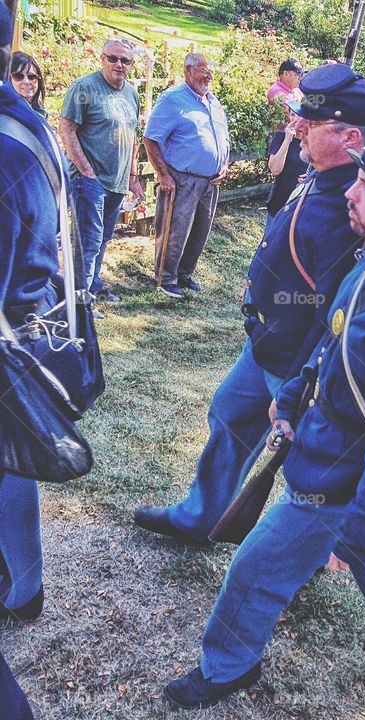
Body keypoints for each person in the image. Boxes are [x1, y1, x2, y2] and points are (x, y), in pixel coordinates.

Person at [161, 127, 365, 709]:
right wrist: (295, 393)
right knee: (353, 543)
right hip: (325, 443)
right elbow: (332, 343)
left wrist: (356, 535)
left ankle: (228, 666)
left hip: (340, 478)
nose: (352, 191)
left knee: (254, 570)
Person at [133, 64, 365, 544]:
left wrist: (302, 385)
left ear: (351, 136)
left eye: (313, 122)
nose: (299, 126)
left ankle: (303, 556)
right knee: (229, 414)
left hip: (298, 363)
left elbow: (336, 313)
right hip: (267, 343)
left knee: (310, 467)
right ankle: (202, 516)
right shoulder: (323, 173)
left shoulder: (353, 203)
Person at [0, 4, 71, 625]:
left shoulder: (5, 142)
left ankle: (20, 587)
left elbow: (21, 263)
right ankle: (22, 584)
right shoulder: (25, 123)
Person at [59, 37, 144, 305]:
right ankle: (78, 299)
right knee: (89, 239)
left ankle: (92, 287)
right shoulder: (85, 87)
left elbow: (132, 137)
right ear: (102, 58)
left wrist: (132, 178)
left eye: (125, 60)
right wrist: (85, 171)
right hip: (89, 179)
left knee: (104, 237)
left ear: (131, 65)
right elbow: (67, 129)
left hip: (117, 181)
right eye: (113, 58)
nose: (119, 64)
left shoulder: (131, 93)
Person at [144, 52, 230, 299]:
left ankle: (184, 274)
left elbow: (223, 138)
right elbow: (151, 139)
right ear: (188, 71)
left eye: (211, 70)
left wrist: (223, 163)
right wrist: (163, 175)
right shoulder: (173, 99)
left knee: (200, 231)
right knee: (175, 230)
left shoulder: (214, 101)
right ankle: (165, 278)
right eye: (204, 70)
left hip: (211, 181)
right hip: (182, 178)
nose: (209, 75)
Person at [265, 106, 308, 224]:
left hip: (301, 207)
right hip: (278, 204)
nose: (296, 119)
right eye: (293, 115)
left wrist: (312, 177)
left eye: (299, 115)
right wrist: (287, 140)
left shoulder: (312, 142)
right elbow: (275, 170)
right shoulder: (280, 137)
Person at [9, 51, 45, 116]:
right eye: (18, 76)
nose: (26, 81)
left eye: (32, 77)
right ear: (8, 79)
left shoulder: (39, 109)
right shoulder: (4, 112)